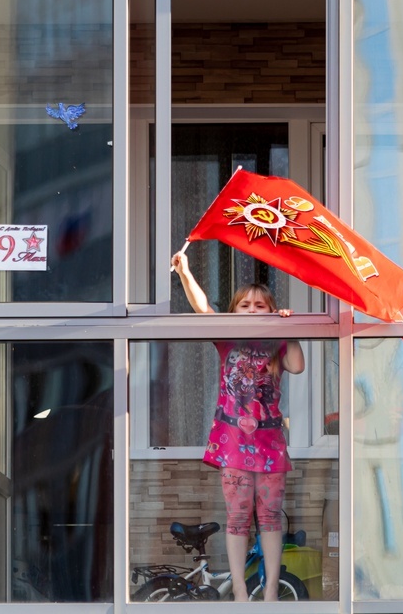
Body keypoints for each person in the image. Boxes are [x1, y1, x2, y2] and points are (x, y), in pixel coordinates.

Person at [171, 250, 305, 602]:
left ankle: (272, 589)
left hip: (271, 443)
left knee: (271, 517)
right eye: (244, 305)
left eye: (260, 305)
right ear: (234, 311)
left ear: (271, 309)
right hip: (233, 442)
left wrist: (287, 327)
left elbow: (297, 364)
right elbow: (203, 308)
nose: (251, 309)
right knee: (238, 517)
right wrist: (185, 272)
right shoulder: (227, 337)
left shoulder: (276, 341)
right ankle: (242, 591)